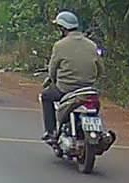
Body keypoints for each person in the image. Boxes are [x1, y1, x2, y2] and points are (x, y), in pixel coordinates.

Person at [40, 11, 101, 142]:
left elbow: (52, 70)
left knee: (46, 96)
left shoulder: (59, 45)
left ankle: (50, 132)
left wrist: (52, 80)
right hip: (88, 89)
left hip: (66, 89)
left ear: (62, 28)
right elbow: (100, 68)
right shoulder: (92, 45)